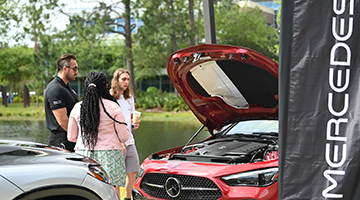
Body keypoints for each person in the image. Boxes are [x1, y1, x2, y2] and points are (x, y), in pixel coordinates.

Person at [67, 71, 129, 197]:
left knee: (86, 191)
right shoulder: (113, 107)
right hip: (110, 155)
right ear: (105, 87)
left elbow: (71, 137)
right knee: (112, 191)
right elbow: (124, 137)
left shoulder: (77, 107)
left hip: (83, 155)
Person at [111, 68, 140, 200]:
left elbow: (131, 117)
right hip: (116, 142)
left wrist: (135, 124)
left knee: (133, 170)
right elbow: (108, 122)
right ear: (116, 80)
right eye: (123, 79)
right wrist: (119, 140)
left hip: (129, 140)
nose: (126, 82)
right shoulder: (109, 97)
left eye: (128, 79)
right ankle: (116, 198)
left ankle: (127, 197)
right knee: (116, 176)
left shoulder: (130, 99)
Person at [44, 54, 79, 151]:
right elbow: (63, 121)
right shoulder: (55, 89)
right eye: (74, 69)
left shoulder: (66, 87)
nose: (77, 72)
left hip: (70, 137)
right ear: (65, 68)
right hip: (61, 140)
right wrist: (80, 137)